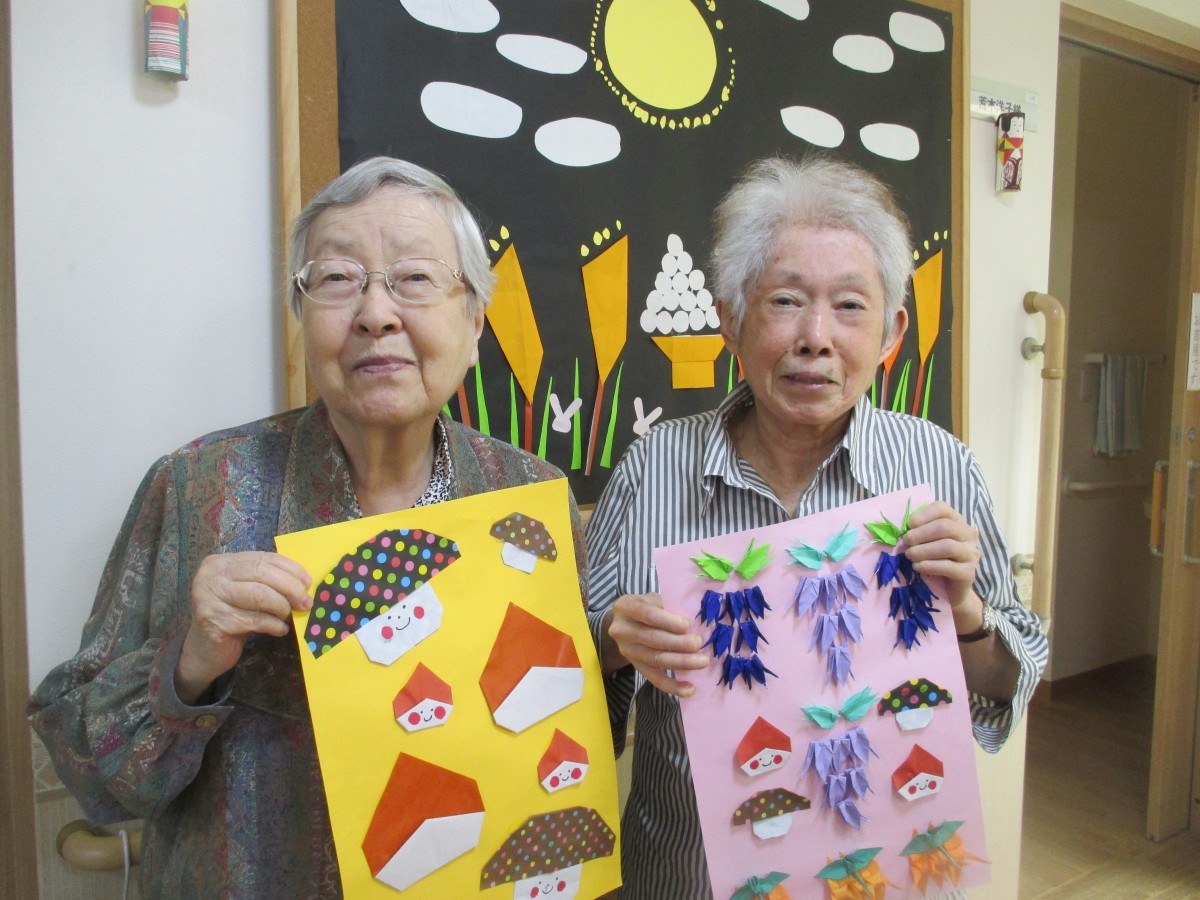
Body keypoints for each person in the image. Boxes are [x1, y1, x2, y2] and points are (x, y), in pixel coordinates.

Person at [29, 157, 583, 899]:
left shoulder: (528, 495)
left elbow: (558, 738)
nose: (377, 313)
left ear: (475, 318)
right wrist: (190, 662)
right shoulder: (197, 488)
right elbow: (88, 772)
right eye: (339, 279)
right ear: (302, 314)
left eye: (415, 278)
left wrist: (614, 654)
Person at [586, 155, 1049, 899]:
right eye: (786, 301)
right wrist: (615, 641)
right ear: (731, 320)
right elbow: (569, 681)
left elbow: (1007, 680)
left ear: (893, 331)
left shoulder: (939, 465)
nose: (816, 337)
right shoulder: (653, 466)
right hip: (686, 875)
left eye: (850, 306)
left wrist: (965, 614)